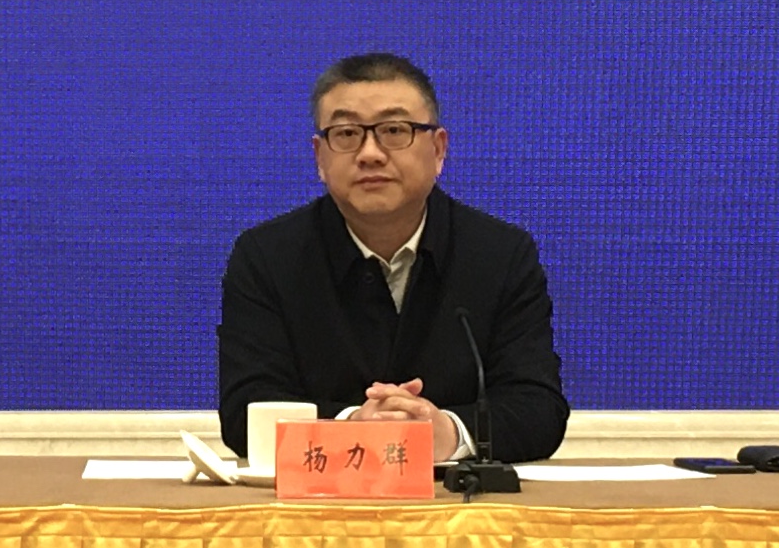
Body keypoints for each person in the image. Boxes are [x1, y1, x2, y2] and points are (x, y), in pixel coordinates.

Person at [217, 53, 567, 465]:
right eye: (347, 133)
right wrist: (353, 427)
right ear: (320, 158)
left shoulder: (500, 254)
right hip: (320, 496)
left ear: (438, 149)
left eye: (394, 130)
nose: (370, 153)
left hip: (457, 499)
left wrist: (448, 432)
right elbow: (244, 412)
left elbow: (538, 409)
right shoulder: (267, 257)